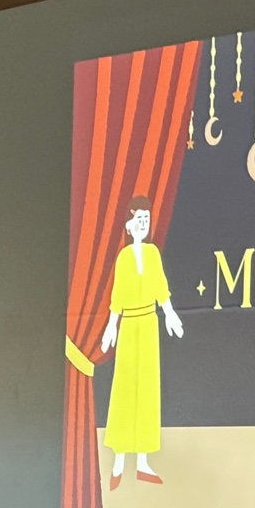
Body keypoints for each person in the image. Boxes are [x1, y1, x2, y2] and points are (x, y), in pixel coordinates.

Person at [99, 194, 185, 489]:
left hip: (149, 324)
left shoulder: (152, 254)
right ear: (128, 224)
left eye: (146, 220)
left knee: (147, 389)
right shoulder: (123, 258)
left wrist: (170, 314)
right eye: (139, 219)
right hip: (128, 326)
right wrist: (111, 328)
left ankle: (143, 462)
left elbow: (161, 288)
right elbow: (118, 296)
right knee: (125, 388)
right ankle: (119, 461)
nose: (143, 224)